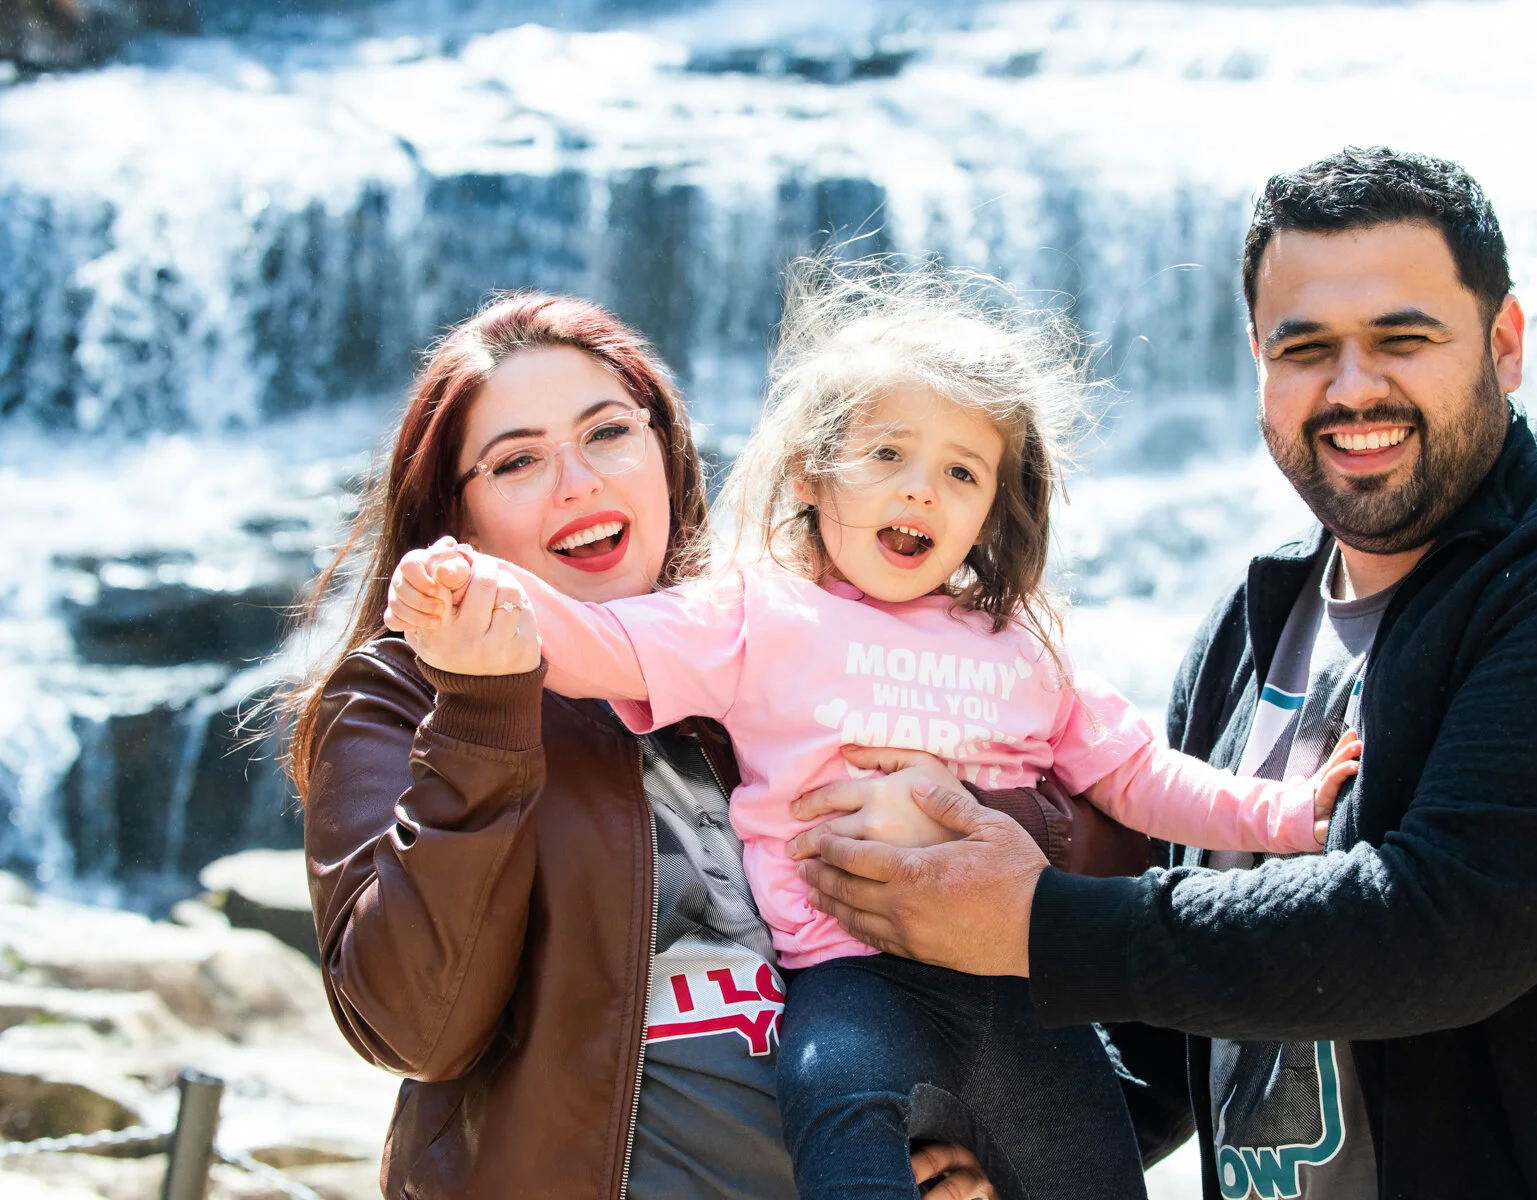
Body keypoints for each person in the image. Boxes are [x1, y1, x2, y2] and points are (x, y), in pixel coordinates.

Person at [795, 147, 1537, 1198]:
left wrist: (1032, 922)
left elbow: (1435, 929)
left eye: (1402, 339)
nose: (1352, 387)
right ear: (1258, 363)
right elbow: (1185, 1006)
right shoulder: (1249, 627)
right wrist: (1002, 1157)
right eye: (1306, 348)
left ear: (1504, 345)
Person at [384, 261, 1361, 1200]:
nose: (919, 489)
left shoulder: (1027, 649)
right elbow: (600, 645)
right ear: (811, 474)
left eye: (960, 471)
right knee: (837, 1104)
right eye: (886, 454)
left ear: (991, 510)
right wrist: (478, 595)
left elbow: (1143, 781)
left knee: (1092, 1171)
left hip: (1015, 979)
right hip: (849, 978)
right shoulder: (756, 614)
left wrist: (1288, 816)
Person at [284, 291, 1079, 1200]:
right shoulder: (398, 695)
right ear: (459, 527)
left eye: (608, 434)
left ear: (666, 455)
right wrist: (482, 707)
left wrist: (946, 1142)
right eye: (518, 461)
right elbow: (414, 1025)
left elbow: (1071, 902)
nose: (578, 482)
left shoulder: (780, 642)